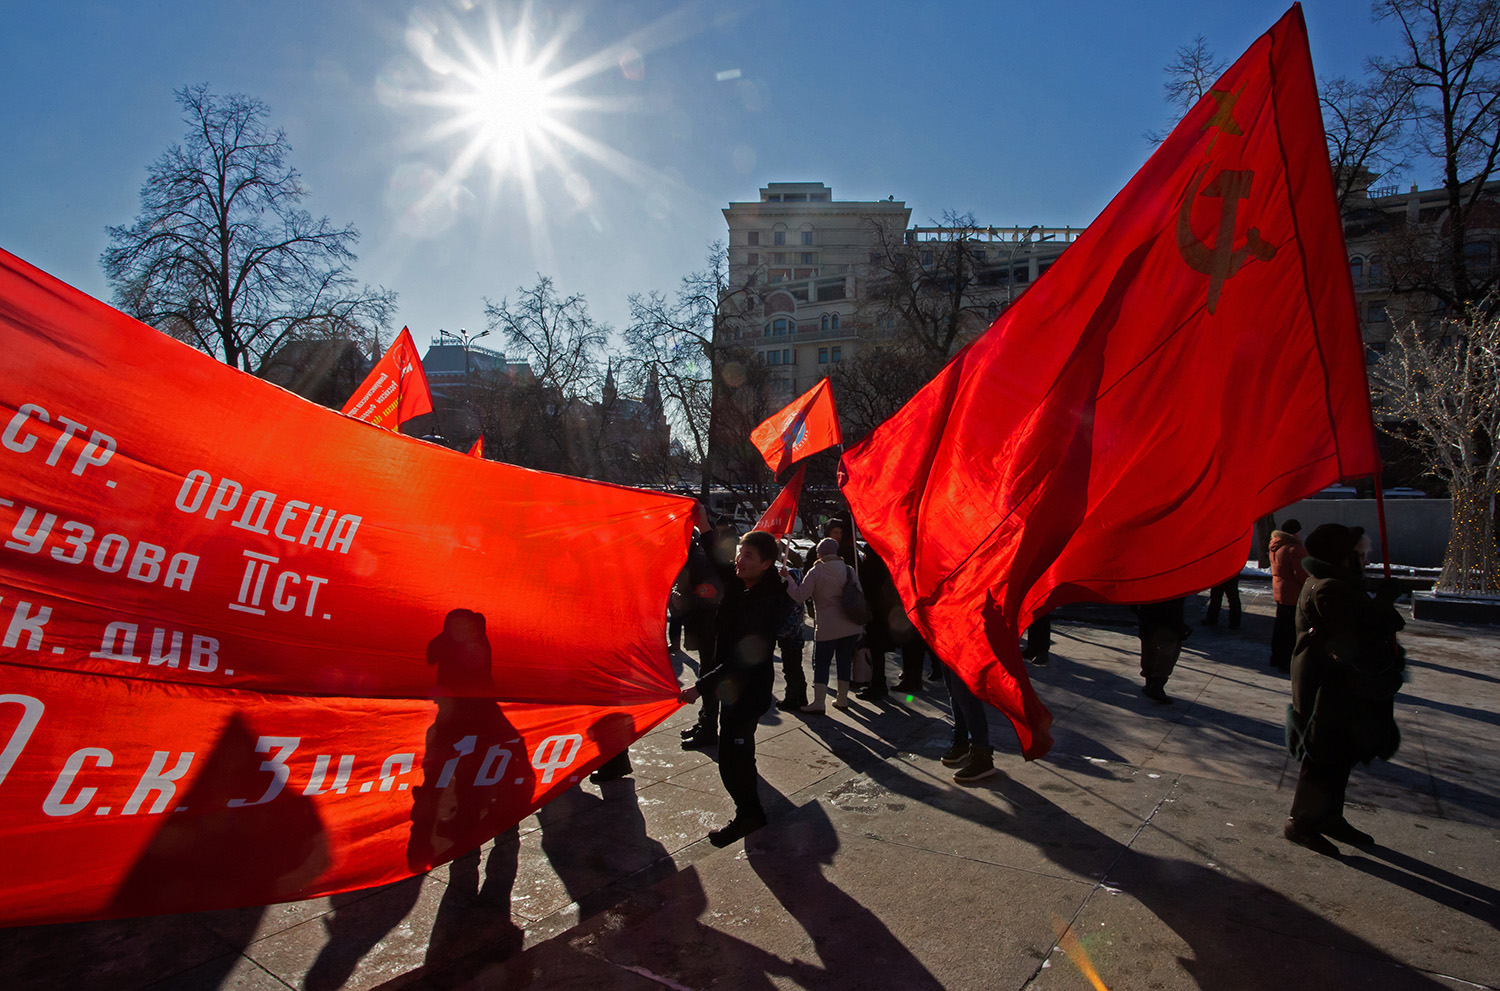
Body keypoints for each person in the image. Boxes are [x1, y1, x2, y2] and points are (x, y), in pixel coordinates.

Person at [1284, 523, 1405, 855]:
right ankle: (1301, 822)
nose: (1365, 559)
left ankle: (1329, 817)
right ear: (1342, 558)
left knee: (1341, 757)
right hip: (1326, 688)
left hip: (1344, 689)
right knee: (1323, 758)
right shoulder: (1327, 588)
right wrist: (1382, 603)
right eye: (1360, 554)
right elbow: (1353, 634)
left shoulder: (1341, 584)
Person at [677, 530, 793, 847]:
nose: (740, 560)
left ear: (767, 563)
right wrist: (705, 529)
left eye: (749, 556)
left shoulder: (764, 601)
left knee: (732, 760)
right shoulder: (745, 587)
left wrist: (700, 688)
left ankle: (749, 816)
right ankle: (751, 813)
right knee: (740, 757)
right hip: (734, 690)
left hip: (747, 691)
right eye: (740, 552)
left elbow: (743, 659)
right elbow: (722, 562)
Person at [785, 537, 867, 712]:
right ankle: (842, 699)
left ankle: (819, 702)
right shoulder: (849, 569)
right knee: (844, 661)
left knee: (822, 663)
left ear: (819, 553)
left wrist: (789, 580)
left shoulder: (816, 571)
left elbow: (800, 596)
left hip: (827, 627)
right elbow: (859, 594)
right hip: (850, 626)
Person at [680, 519, 731, 751]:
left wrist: (687, 595)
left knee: (708, 677)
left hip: (710, 626)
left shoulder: (699, 557)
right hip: (705, 625)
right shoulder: (694, 555)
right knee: (705, 671)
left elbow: (712, 590)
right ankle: (705, 722)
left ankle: (709, 727)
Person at [941, 662, 999, 784]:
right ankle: (962, 740)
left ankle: (981, 755)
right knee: (952, 687)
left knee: (964, 692)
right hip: (951, 644)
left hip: (969, 647)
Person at [1268, 518, 1308, 672]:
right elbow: (1301, 574)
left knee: (1280, 628)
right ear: (1295, 532)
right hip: (1293, 594)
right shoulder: (1295, 549)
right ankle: (1286, 662)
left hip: (1280, 592)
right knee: (1290, 631)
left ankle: (1276, 657)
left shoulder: (1275, 545)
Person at [777, 547, 810, 710]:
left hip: (791, 634)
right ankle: (800, 696)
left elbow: (793, 611)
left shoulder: (791, 581)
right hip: (795, 633)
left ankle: (793, 697)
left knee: (791, 667)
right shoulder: (793, 579)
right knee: (793, 666)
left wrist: (783, 630)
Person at [1138, 597, 1188, 703]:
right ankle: (1156, 685)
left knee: (1149, 650)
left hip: (1148, 618)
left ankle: (1150, 682)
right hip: (1169, 622)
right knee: (1167, 654)